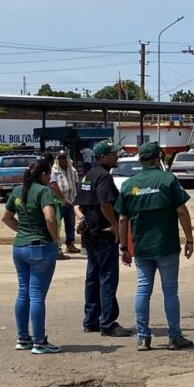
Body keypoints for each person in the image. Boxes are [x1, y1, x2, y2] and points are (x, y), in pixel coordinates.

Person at [115, 142, 194, 351]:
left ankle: (143, 337)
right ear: (158, 158)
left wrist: (124, 247)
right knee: (170, 291)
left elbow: (122, 220)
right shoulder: (168, 180)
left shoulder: (129, 185)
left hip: (142, 248)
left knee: (143, 290)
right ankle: (174, 337)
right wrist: (190, 239)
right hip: (166, 245)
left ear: (140, 160)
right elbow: (182, 212)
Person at [0, 159, 61, 354]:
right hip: (40, 247)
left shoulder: (18, 190)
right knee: (37, 296)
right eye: (49, 173)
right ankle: (40, 341)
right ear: (43, 174)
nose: (50, 177)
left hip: (19, 247)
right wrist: (55, 240)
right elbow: (50, 218)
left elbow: (6, 218)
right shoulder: (44, 192)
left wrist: (23, 231)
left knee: (23, 292)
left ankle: (23, 338)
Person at [74, 140, 131, 337]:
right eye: (113, 154)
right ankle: (108, 323)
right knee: (107, 278)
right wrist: (115, 226)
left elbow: (78, 204)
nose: (117, 157)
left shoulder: (89, 175)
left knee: (93, 278)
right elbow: (105, 203)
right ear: (102, 157)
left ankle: (90, 320)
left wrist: (82, 220)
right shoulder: (105, 177)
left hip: (90, 233)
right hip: (104, 234)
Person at [50, 151, 81, 255]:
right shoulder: (54, 170)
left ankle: (70, 244)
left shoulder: (72, 170)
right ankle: (56, 246)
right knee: (56, 225)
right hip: (58, 203)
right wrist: (62, 198)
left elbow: (76, 183)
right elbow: (53, 186)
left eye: (64, 158)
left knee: (70, 224)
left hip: (70, 201)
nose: (62, 160)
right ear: (57, 159)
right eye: (60, 158)